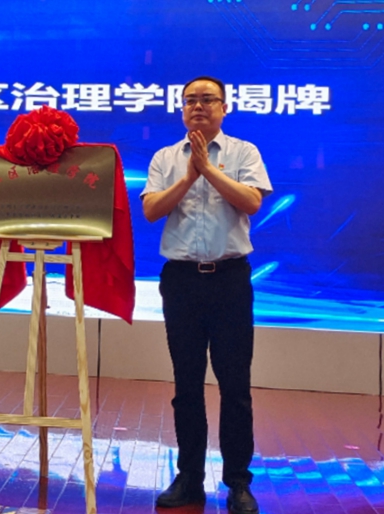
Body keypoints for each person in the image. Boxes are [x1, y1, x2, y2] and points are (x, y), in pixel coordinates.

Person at [141, 76, 272, 514]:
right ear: (181, 109)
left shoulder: (244, 152)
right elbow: (151, 209)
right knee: (187, 385)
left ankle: (238, 482)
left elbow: (252, 202)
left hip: (229, 279)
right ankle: (189, 478)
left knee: (235, 386)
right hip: (181, 281)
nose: (197, 106)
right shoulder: (165, 157)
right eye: (190, 100)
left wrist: (208, 170)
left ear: (224, 107)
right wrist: (188, 176)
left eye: (207, 99)